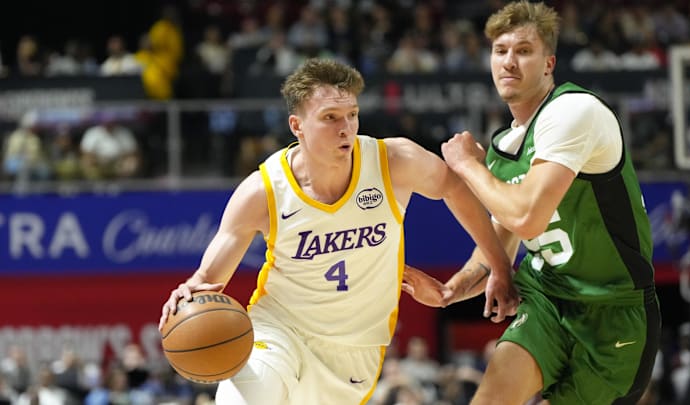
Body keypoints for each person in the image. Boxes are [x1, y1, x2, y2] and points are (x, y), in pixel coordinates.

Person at [158, 57, 517, 405]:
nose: (346, 128)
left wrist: (499, 267)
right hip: (282, 327)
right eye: (330, 118)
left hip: (355, 348)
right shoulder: (262, 191)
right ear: (297, 126)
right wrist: (190, 291)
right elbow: (208, 277)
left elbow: (455, 188)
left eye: (352, 115)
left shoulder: (393, 161)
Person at [437, 2, 661, 404]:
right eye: (500, 50)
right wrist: (451, 289)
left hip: (613, 313)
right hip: (546, 298)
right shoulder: (505, 145)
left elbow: (526, 218)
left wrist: (468, 167)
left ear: (548, 63)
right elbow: (500, 239)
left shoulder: (574, 111)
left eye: (523, 51)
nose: (509, 61)